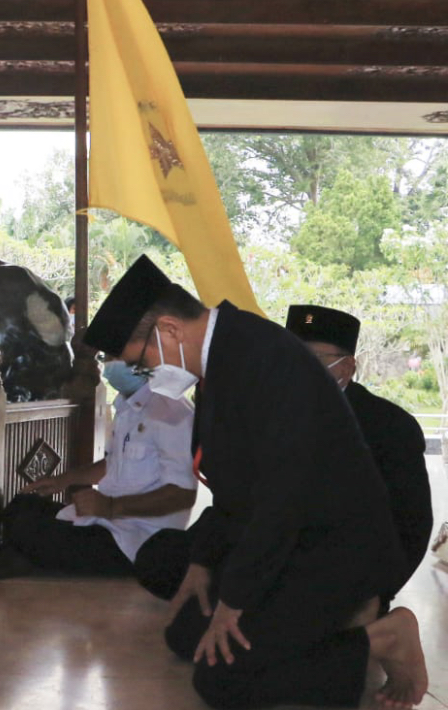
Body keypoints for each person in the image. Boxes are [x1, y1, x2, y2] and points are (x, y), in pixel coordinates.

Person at [84, 255, 426, 710]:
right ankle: (314, 637)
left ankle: (384, 638)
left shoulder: (263, 359)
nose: (146, 373)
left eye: (142, 362)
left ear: (167, 331)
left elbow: (283, 497)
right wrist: (204, 564)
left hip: (334, 554)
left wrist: (236, 599)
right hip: (288, 542)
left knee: (222, 680)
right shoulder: (226, 357)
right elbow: (236, 487)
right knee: (188, 635)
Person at [285, 304, 433, 604]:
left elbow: (412, 524)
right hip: (281, 562)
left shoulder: (389, 425)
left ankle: (390, 633)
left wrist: (377, 595)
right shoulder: (276, 414)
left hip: (351, 576)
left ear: (347, 368)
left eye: (314, 359)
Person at [0, 360, 196, 580]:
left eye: (114, 356)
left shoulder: (172, 414)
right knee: (22, 506)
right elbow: (114, 463)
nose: (107, 364)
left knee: (27, 528)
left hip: (138, 541)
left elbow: (182, 495)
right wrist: (62, 480)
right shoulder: (127, 406)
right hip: (106, 522)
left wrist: (111, 506)